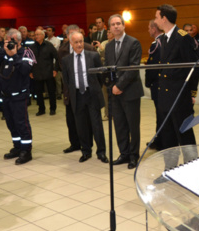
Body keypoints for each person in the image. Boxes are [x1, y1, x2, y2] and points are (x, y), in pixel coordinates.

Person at [153, 4, 199, 156]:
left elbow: (194, 67)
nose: (155, 20)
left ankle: (191, 169)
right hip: (165, 97)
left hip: (179, 97)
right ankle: (170, 169)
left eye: (156, 17)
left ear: (164, 19)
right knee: (168, 137)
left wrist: (192, 93)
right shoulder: (163, 38)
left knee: (184, 135)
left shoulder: (182, 37)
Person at [61, 31, 108, 163]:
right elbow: (66, 80)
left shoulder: (93, 56)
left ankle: (101, 152)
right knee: (81, 126)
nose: (79, 44)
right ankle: (86, 151)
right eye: (76, 42)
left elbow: (100, 77)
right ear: (71, 43)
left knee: (96, 125)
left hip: (92, 95)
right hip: (77, 96)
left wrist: (93, 88)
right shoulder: (66, 60)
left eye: (81, 41)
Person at [0, 29, 35, 165]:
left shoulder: (27, 52)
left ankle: (26, 150)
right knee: (11, 124)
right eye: (8, 40)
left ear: (20, 41)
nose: (10, 43)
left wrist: (15, 55)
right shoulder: (4, 52)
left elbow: (26, 70)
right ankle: (17, 147)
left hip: (19, 96)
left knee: (22, 124)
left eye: (13, 41)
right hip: (6, 96)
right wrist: (3, 51)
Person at [105, 14, 144, 169]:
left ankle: (134, 156)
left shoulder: (133, 43)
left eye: (118, 23)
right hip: (114, 93)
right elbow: (108, 69)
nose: (116, 26)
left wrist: (119, 86)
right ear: (110, 28)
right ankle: (124, 153)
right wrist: (111, 86)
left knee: (133, 126)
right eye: (113, 24)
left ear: (124, 25)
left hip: (130, 92)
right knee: (119, 125)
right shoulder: (108, 46)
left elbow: (133, 68)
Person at [56, 25, 96, 154]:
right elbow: (63, 71)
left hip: (86, 90)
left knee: (86, 120)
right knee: (71, 120)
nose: (76, 39)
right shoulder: (62, 51)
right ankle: (74, 144)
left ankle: (87, 144)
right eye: (72, 35)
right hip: (70, 90)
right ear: (67, 37)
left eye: (77, 35)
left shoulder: (89, 48)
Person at [30, 28, 58, 116]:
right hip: (37, 73)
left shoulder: (49, 45)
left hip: (49, 72)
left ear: (43, 36)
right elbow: (28, 60)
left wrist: (55, 69)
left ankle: (52, 108)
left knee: (51, 92)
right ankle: (41, 109)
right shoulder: (31, 47)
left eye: (38, 34)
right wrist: (30, 71)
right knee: (38, 92)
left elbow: (57, 58)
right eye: (35, 35)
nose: (36, 36)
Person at [144, 20, 163, 150]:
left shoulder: (156, 44)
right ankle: (159, 138)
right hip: (163, 83)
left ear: (154, 28)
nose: (148, 30)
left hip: (158, 83)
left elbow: (152, 67)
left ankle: (160, 141)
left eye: (149, 28)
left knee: (160, 114)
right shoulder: (165, 41)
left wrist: (148, 82)